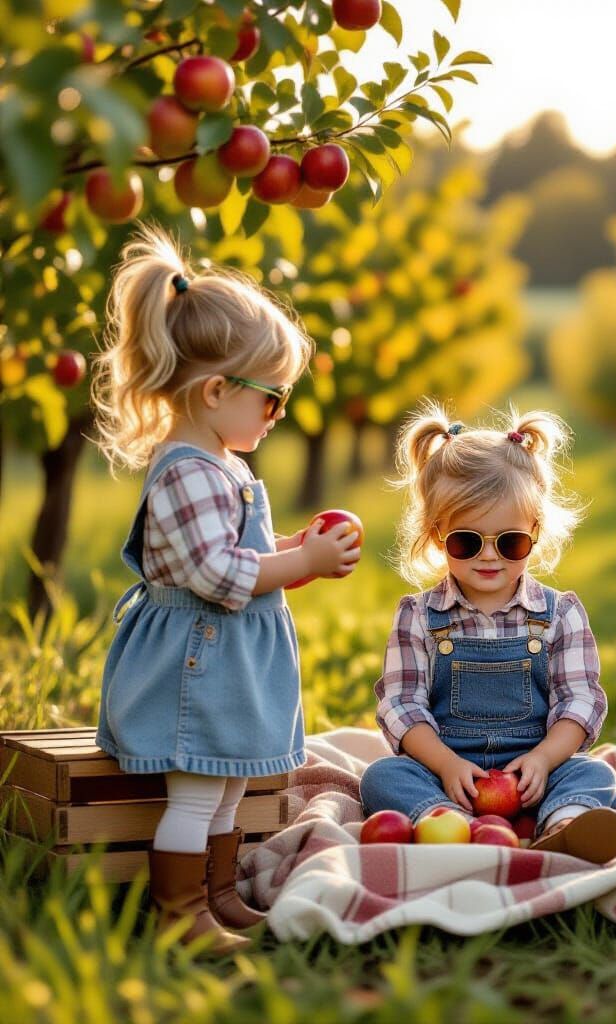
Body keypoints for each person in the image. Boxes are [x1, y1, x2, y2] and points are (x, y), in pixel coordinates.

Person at [92, 227, 361, 953]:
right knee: (198, 790)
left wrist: (288, 547)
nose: (277, 417)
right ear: (216, 391)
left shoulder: (221, 463)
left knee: (230, 783)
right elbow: (217, 574)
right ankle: (180, 913)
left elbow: (234, 551)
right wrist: (300, 563)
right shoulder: (186, 470)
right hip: (196, 663)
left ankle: (215, 896)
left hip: (226, 661)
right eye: (272, 401)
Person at [360, 404, 616, 863]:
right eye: (467, 541)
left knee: (594, 775)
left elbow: (579, 701)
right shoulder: (419, 617)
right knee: (382, 776)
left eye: (510, 542)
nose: (489, 557)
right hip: (446, 770)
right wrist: (445, 765)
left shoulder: (559, 614)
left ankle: (562, 824)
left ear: (535, 532)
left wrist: (543, 760)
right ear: (438, 535)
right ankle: (447, 821)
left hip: (533, 775)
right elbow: (402, 703)